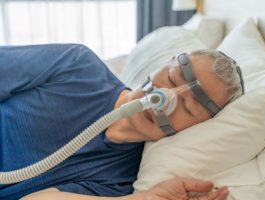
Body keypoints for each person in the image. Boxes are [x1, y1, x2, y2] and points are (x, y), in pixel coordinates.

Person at [0, 44, 243, 200]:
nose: (164, 99)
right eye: (171, 77)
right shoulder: (76, 65)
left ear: (195, 128)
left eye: (188, 108)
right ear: (164, 63)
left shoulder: (122, 180)